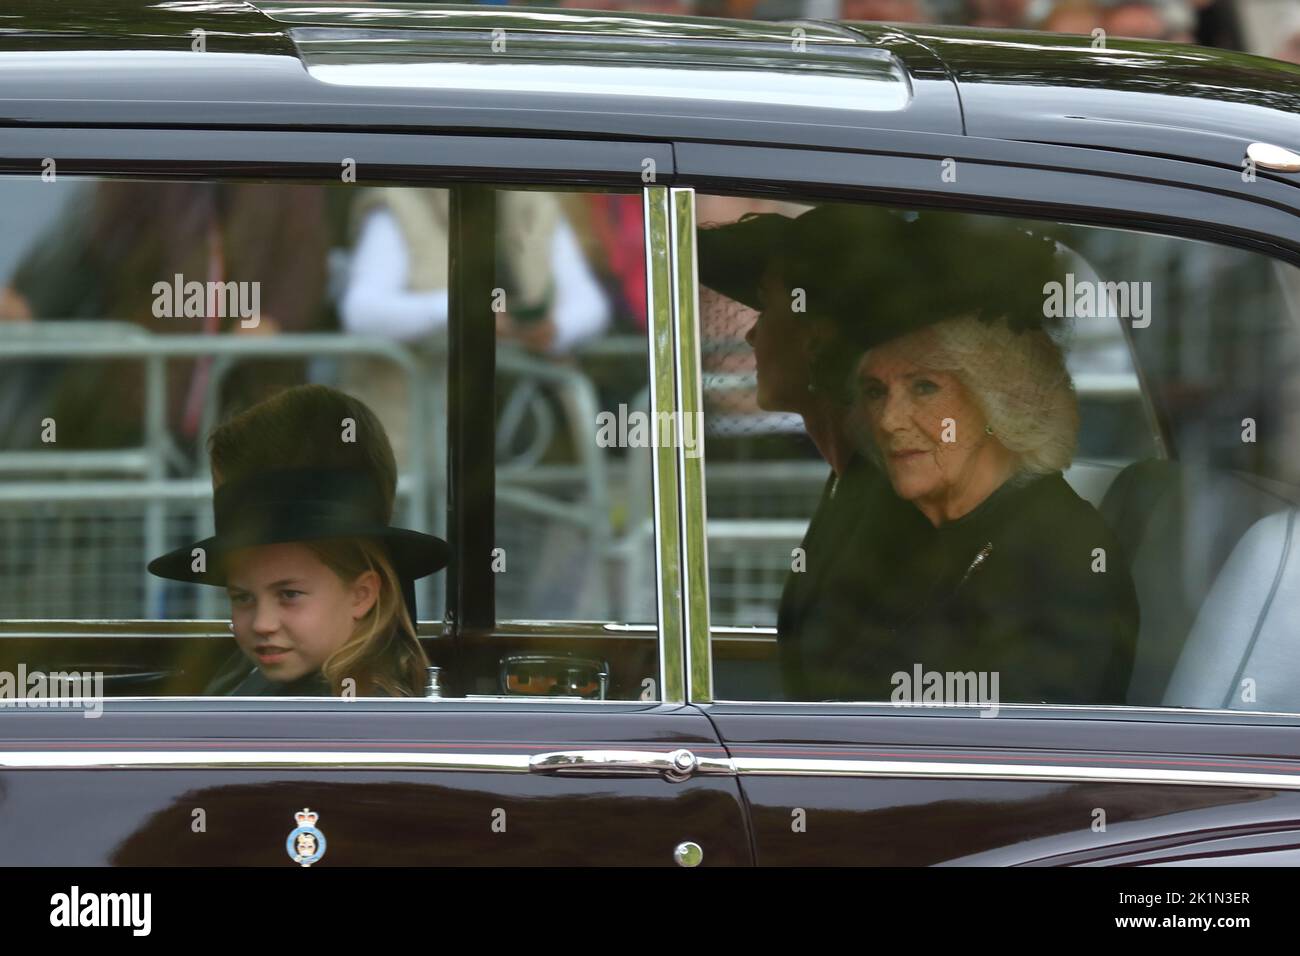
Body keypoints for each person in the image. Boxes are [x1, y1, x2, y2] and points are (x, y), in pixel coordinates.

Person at [146, 384, 448, 697]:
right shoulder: (258, 676)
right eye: (241, 597)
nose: (263, 623)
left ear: (362, 594)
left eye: (289, 594)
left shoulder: (346, 714)